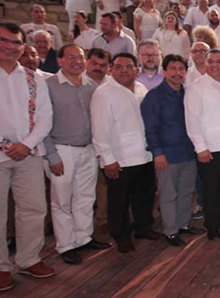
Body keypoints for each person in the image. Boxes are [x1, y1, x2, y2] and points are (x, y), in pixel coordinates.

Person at [0, 22, 55, 292]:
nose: (9, 46)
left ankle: (28, 258)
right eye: (3, 40)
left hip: (28, 154)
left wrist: (26, 145)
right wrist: (3, 144)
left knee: (34, 208)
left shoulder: (33, 78)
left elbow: (45, 117)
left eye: (15, 42)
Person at [44, 44, 112, 265]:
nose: (77, 61)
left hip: (88, 149)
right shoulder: (49, 86)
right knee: (62, 201)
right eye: (71, 57)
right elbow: (41, 124)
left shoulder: (91, 86)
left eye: (80, 57)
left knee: (85, 197)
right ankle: (65, 245)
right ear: (60, 60)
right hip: (62, 149)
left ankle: (83, 237)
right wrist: (52, 155)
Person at [91, 53, 162, 253]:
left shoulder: (141, 88)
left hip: (144, 154)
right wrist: (108, 159)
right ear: (111, 69)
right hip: (119, 158)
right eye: (119, 66)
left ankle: (143, 227)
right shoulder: (103, 93)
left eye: (129, 66)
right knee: (119, 200)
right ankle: (121, 236)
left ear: (136, 70)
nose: (124, 70)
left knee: (144, 195)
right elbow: (100, 129)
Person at [141, 54, 204, 247]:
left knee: (186, 192)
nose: (177, 73)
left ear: (185, 72)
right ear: (164, 71)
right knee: (168, 194)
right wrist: (157, 153)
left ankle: (183, 224)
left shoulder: (188, 94)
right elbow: (150, 129)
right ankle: (170, 230)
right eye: (173, 69)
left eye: (181, 69)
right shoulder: (154, 97)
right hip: (166, 155)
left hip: (187, 152)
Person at [184, 49, 220, 240]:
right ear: (205, 63)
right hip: (210, 148)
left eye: (219, 61)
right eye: (211, 61)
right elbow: (192, 120)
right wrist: (200, 147)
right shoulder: (196, 87)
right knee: (211, 188)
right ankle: (212, 224)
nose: (215, 65)